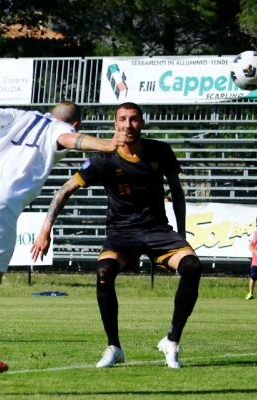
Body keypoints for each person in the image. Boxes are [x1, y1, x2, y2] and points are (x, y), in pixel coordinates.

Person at [0, 65, 126, 374]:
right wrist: (109, 145)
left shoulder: (21, 115)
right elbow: (72, 140)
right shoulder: (59, 129)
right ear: (75, 121)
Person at [32, 102, 203, 369]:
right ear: (115, 125)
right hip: (121, 233)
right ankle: (114, 347)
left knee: (192, 266)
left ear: (142, 123)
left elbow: (177, 192)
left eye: (134, 119)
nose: (128, 125)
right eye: (122, 119)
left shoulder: (160, 151)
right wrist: (45, 230)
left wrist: (181, 232)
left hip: (157, 230)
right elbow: (64, 190)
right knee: (104, 271)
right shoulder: (103, 158)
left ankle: (171, 341)